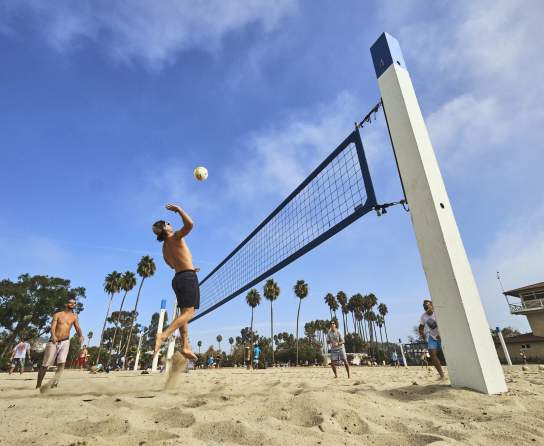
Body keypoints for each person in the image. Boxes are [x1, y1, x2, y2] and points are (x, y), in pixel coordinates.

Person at [152, 204, 199, 362]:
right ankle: (163, 335)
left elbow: (173, 264)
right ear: (166, 227)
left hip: (178, 278)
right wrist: (179, 210)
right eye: (168, 223)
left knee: (183, 314)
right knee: (189, 313)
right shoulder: (175, 237)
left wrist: (190, 267)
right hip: (187, 277)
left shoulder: (164, 249)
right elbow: (190, 224)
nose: (171, 224)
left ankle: (185, 345)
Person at [36, 297, 84, 390]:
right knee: (45, 364)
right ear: (66, 304)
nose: (72, 305)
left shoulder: (74, 316)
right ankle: (38, 385)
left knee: (61, 363)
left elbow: (77, 327)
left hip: (65, 341)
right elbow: (53, 327)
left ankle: (55, 383)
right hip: (54, 341)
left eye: (74, 303)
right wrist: (53, 336)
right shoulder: (57, 314)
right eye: (70, 303)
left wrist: (80, 335)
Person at [418, 299, 445, 380]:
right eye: (424, 307)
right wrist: (422, 334)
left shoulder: (438, 312)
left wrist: (441, 335)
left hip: (443, 336)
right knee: (431, 353)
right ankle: (442, 375)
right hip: (432, 337)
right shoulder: (423, 316)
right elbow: (421, 327)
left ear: (432, 305)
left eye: (427, 306)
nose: (426, 308)